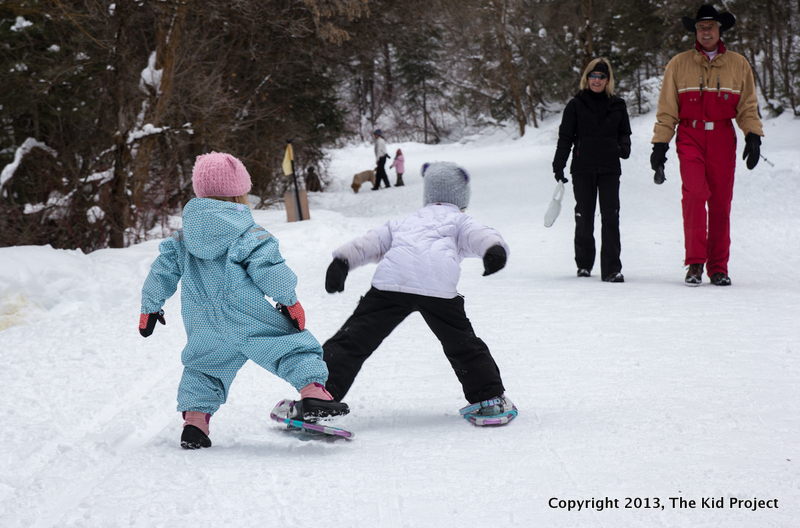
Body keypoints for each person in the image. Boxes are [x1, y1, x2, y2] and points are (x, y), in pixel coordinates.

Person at [139, 152, 348, 450]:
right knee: (290, 346)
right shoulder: (249, 234)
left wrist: (150, 307)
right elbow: (270, 270)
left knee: (204, 367)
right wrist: (289, 302)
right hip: (246, 314)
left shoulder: (182, 239)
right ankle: (313, 391)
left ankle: (195, 423)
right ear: (240, 193)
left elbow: (161, 273)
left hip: (203, 321)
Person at [321, 161, 517, 425]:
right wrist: (494, 251)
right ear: (461, 199)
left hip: (392, 282)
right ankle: (489, 398)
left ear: (428, 195)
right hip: (437, 286)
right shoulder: (460, 220)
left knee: (353, 340)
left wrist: (342, 262)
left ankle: (320, 394)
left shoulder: (405, 221)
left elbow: (370, 242)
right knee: (462, 344)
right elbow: (481, 235)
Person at [650, 4, 764, 286]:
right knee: (694, 195)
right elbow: (667, 110)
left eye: (711, 26)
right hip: (690, 135)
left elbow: (748, 106)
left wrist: (753, 135)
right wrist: (660, 145)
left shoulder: (739, 64)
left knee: (720, 202)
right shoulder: (678, 64)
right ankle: (695, 263)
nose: (706, 31)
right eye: (701, 27)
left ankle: (718, 267)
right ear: (696, 32)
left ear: (719, 29)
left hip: (723, 137)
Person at [552, 58, 632, 283]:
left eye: (601, 77)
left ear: (608, 80)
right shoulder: (575, 104)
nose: (597, 80)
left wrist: (623, 148)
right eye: (593, 76)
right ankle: (584, 264)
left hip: (609, 168)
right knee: (584, 216)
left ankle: (611, 269)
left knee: (610, 216)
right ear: (586, 78)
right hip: (583, 168)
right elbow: (565, 138)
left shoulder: (617, 104)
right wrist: (559, 165)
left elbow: (624, 132)